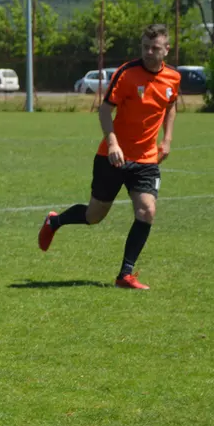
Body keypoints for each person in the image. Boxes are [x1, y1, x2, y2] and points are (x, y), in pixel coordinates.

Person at [37, 24, 180, 290]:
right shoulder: (126, 73)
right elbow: (104, 111)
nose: (149, 53)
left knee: (147, 210)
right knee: (94, 216)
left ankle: (125, 274)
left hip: (146, 159)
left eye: (155, 48)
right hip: (112, 157)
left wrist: (167, 140)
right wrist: (113, 143)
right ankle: (54, 221)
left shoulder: (173, 78)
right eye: (145, 47)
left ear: (166, 49)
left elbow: (170, 106)